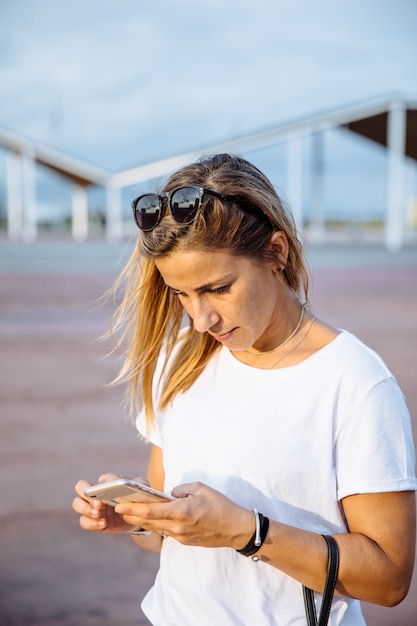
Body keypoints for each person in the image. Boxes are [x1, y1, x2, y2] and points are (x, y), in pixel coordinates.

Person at [73, 153, 417, 625]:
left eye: (218, 288)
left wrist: (247, 531)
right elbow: (170, 531)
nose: (200, 319)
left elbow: (390, 579)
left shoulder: (355, 382)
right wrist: (136, 518)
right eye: (181, 294)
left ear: (277, 252)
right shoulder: (178, 358)